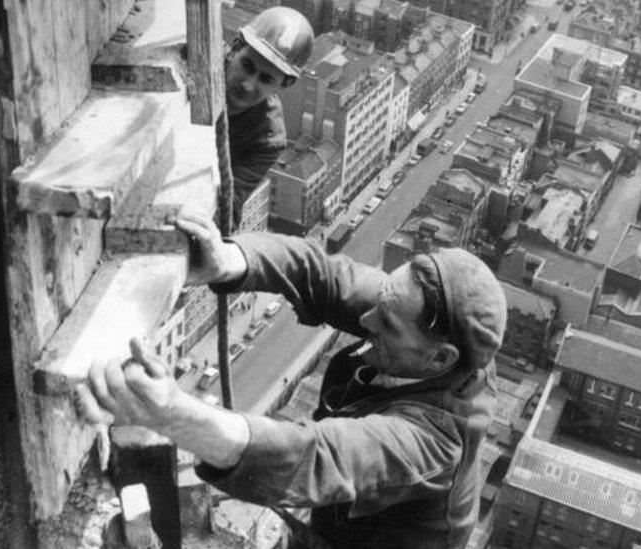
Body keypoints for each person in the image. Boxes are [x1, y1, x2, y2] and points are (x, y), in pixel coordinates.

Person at [76, 212, 507, 548]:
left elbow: (315, 457)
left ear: (441, 358)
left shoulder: (435, 442)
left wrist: (172, 414)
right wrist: (227, 260)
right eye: (379, 303)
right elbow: (314, 270)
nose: (366, 318)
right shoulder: (416, 320)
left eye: (388, 324)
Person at [224, 7, 313, 227]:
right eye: (247, 65)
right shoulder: (198, 61)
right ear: (235, 47)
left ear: (286, 84)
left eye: (265, 79)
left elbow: (228, 207)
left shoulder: (267, 139)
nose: (248, 84)